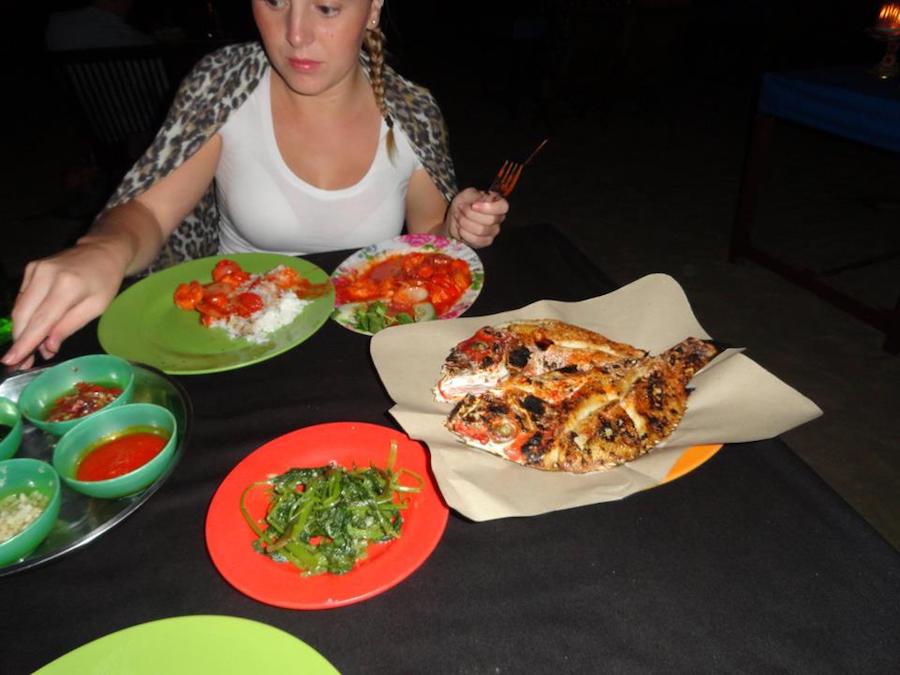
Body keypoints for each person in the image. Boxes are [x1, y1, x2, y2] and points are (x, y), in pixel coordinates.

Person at [5, 0, 508, 370]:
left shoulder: (412, 110)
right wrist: (101, 249)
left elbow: (427, 245)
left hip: (367, 343)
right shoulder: (223, 83)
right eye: (273, 3)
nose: (295, 35)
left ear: (373, 8)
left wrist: (459, 226)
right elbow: (151, 212)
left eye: (326, 9)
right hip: (239, 337)